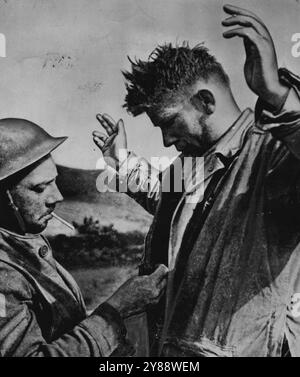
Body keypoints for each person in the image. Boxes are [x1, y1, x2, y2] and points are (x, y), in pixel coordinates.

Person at [93, 4, 300, 357]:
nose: (165, 141)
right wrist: (121, 165)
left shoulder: (275, 156)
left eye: (168, 122)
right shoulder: (189, 162)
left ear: (205, 101)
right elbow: (167, 201)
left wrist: (281, 98)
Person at [0, 118, 168, 357]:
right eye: (39, 188)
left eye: (55, 182)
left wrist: (123, 164)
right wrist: (115, 312)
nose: (57, 197)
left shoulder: (21, 241)